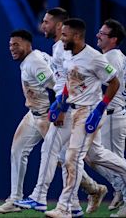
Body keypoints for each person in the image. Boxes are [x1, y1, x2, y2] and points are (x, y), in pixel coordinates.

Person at [13, 7, 107, 217]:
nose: (42, 26)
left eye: (46, 22)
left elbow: (109, 82)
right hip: (68, 106)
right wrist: (60, 103)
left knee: (87, 157)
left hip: (85, 111)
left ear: (59, 26)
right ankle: (63, 202)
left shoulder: (81, 53)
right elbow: (64, 81)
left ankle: (80, 198)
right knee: (61, 154)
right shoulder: (59, 49)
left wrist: (67, 106)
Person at [45, 18, 126, 218]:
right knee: (96, 156)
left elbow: (114, 83)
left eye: (64, 35)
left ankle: (65, 208)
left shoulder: (100, 57)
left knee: (73, 158)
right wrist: (61, 102)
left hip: (95, 112)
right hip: (78, 110)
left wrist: (99, 109)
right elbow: (72, 80)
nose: (61, 38)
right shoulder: (70, 55)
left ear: (77, 36)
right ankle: (77, 203)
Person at [0, 29, 55, 214]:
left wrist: (56, 113)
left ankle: (91, 188)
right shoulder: (34, 58)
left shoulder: (34, 62)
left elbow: (55, 86)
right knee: (18, 150)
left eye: (16, 45)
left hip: (47, 116)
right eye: (10, 45)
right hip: (33, 114)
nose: (12, 48)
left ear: (28, 44)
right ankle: (15, 199)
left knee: (62, 159)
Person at [94, 18, 126, 213]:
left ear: (113, 39)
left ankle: (122, 193)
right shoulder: (118, 56)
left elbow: (105, 83)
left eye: (102, 34)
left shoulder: (112, 57)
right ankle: (119, 190)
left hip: (113, 115)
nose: (98, 36)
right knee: (101, 159)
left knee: (115, 162)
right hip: (114, 114)